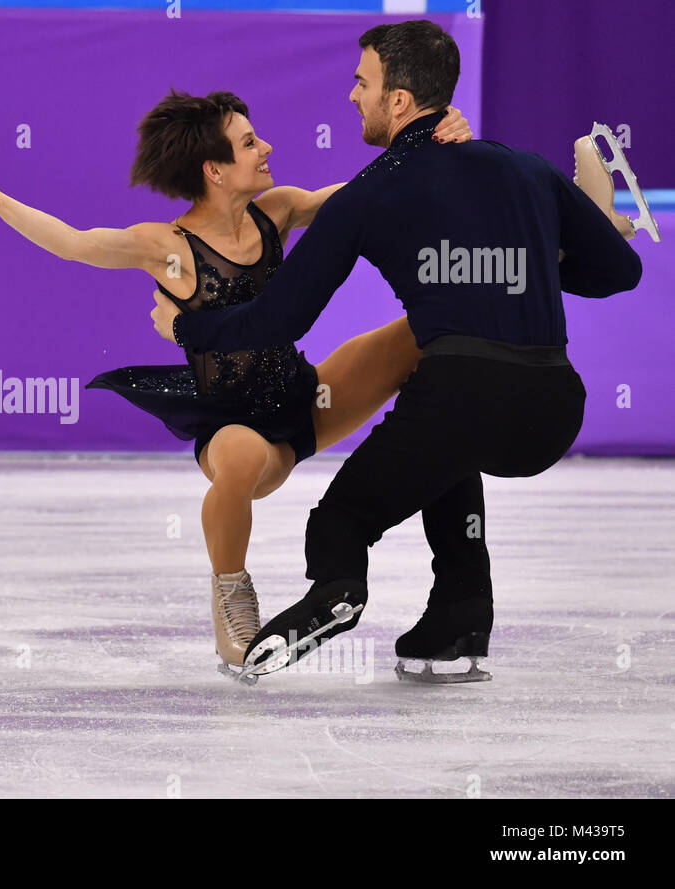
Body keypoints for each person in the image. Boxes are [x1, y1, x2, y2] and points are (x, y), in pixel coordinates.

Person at [150, 20, 644, 682]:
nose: (353, 96)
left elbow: (278, 318)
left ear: (401, 101)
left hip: (461, 397)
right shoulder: (526, 168)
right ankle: (460, 614)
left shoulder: (371, 193)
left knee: (342, 520)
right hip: (555, 406)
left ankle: (337, 592)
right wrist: (541, 254)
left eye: (363, 82)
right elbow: (619, 272)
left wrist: (189, 331)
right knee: (446, 449)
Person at [0, 92, 472, 676]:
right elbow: (74, 243)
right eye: (248, 143)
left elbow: (361, 194)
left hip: (307, 399)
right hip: (238, 430)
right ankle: (231, 593)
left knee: (428, 333)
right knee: (238, 454)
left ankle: (460, 595)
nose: (265, 147)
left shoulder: (279, 210)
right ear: (214, 170)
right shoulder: (167, 247)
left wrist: (436, 141)